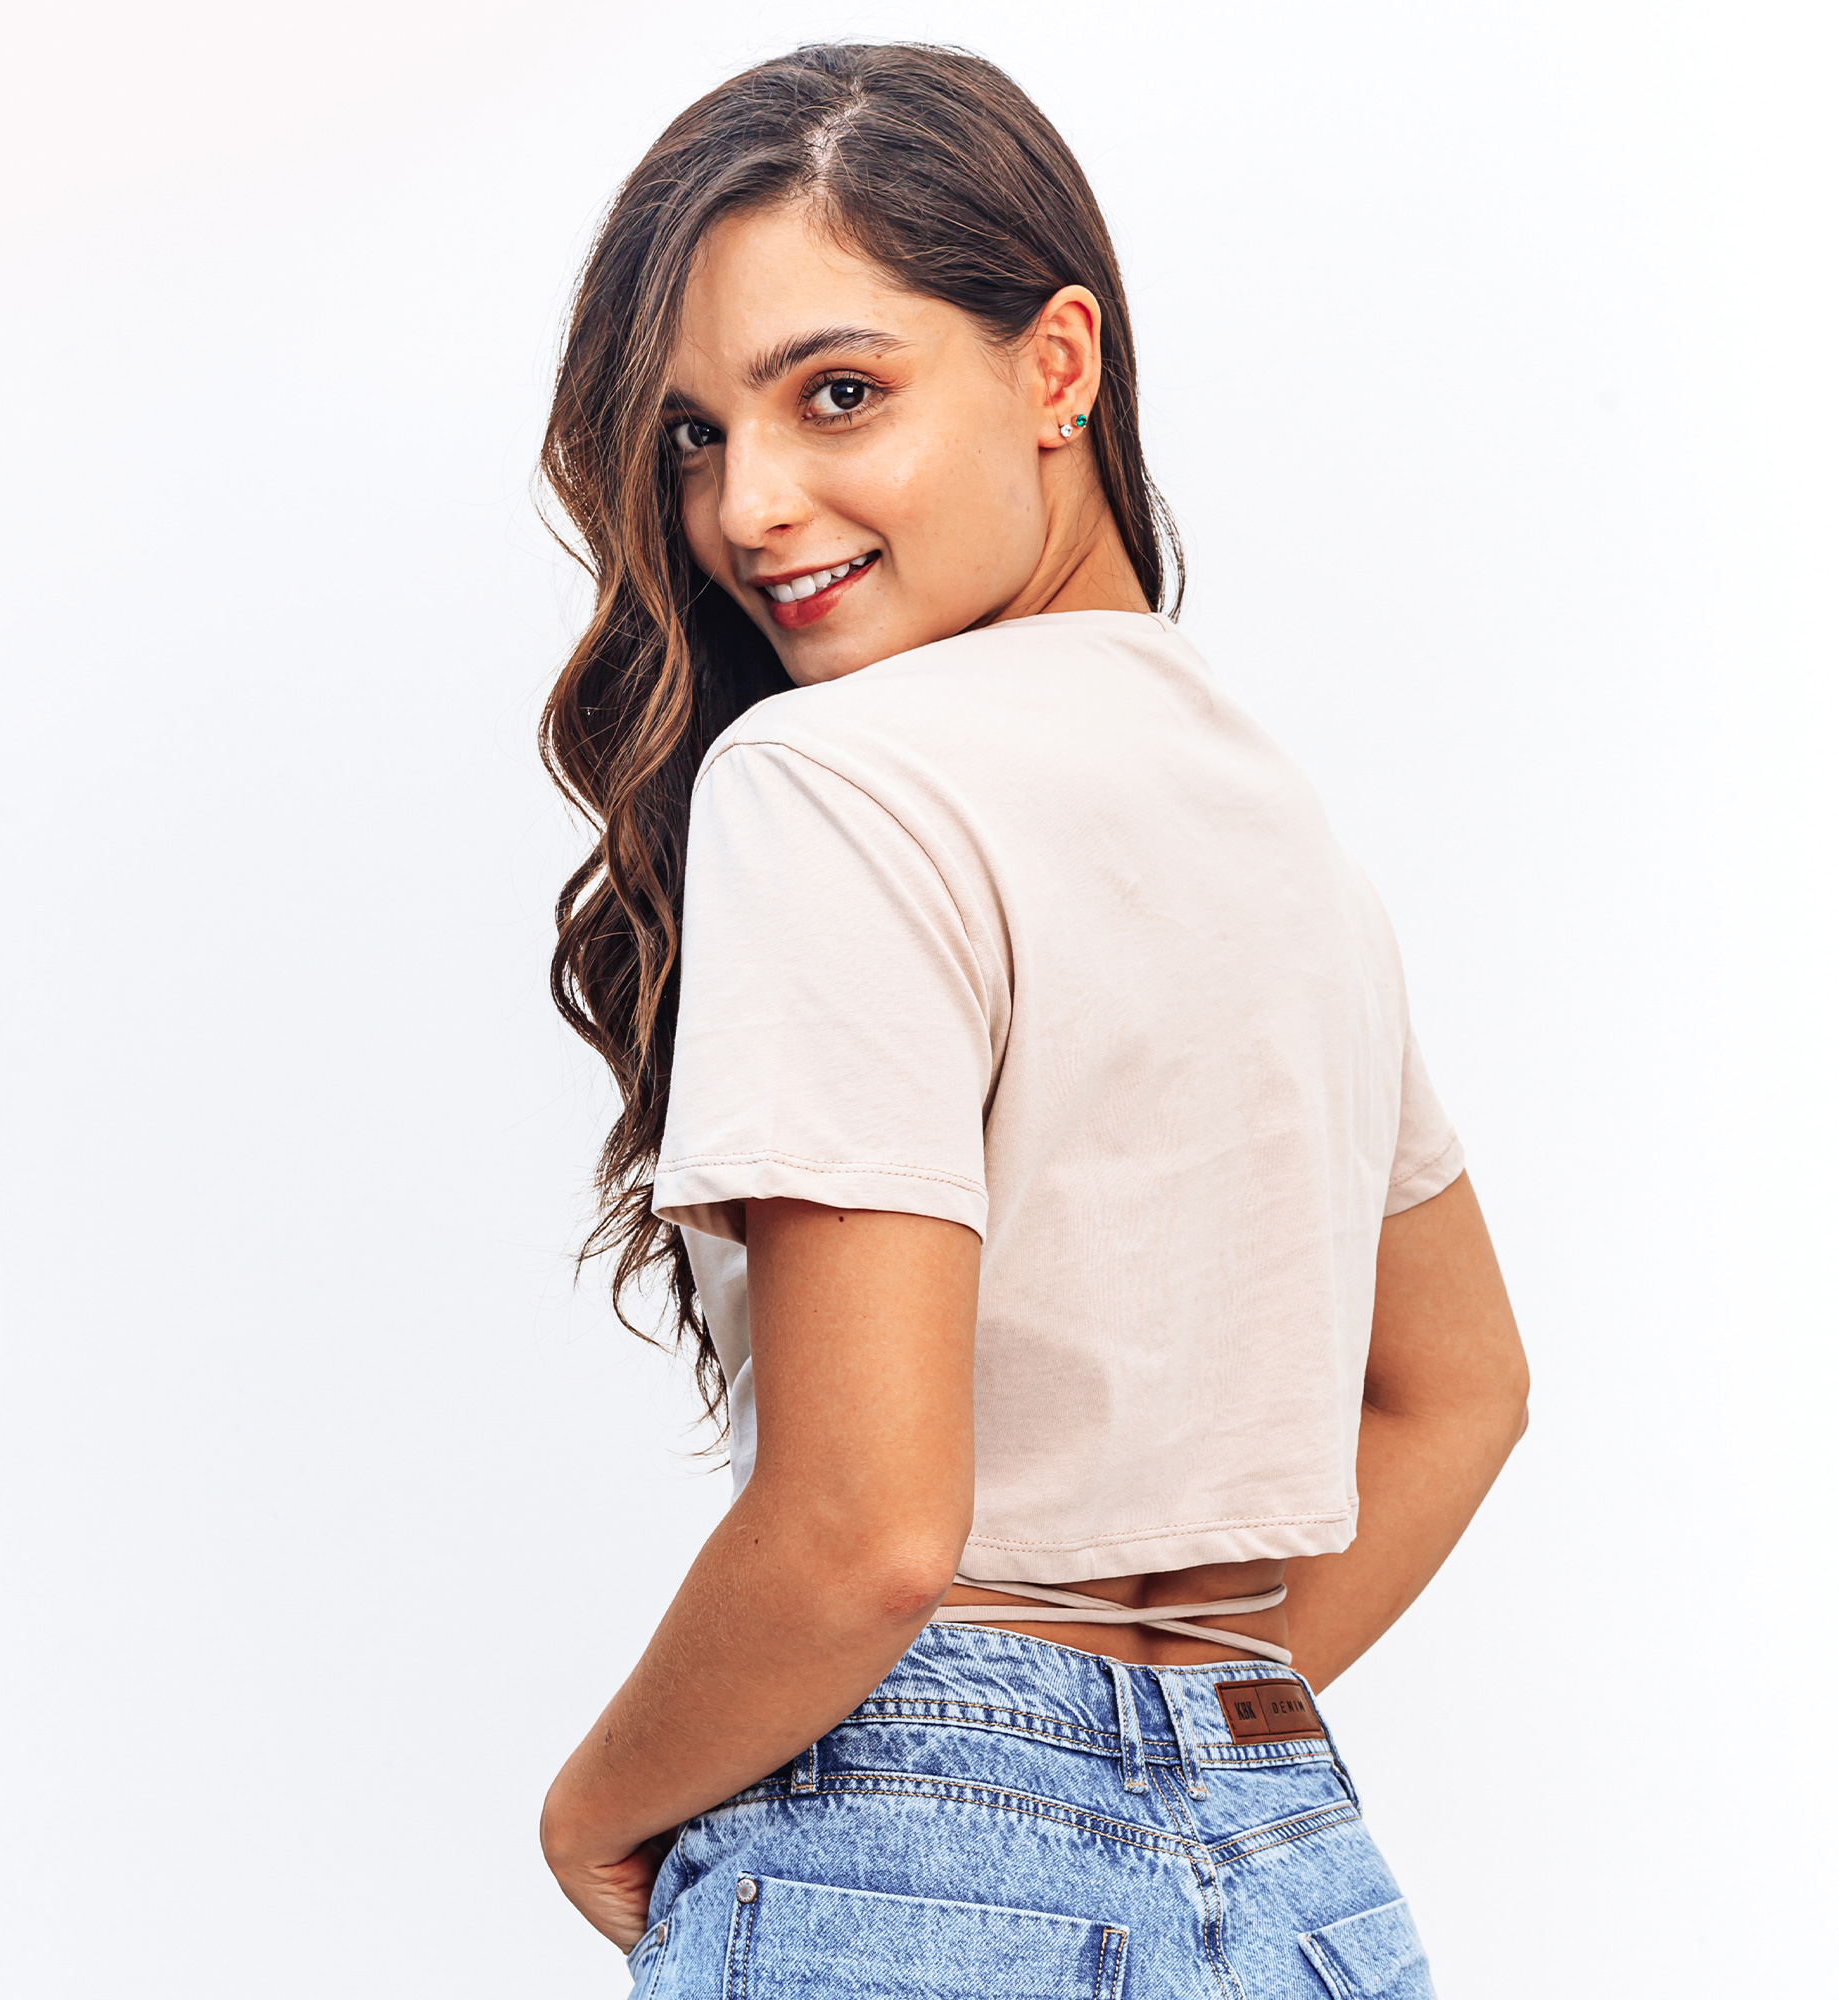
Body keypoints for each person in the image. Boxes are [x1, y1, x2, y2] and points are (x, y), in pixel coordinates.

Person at [534, 41, 1528, 2000]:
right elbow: (1461, 1390)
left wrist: (596, 1806)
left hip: (911, 1875)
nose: (749, 506)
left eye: (839, 392)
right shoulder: (1274, 828)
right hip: (1300, 1883)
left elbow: (865, 1527)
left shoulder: (834, 777)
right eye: (695, 436)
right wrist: (1171, 1743)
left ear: (1058, 365)